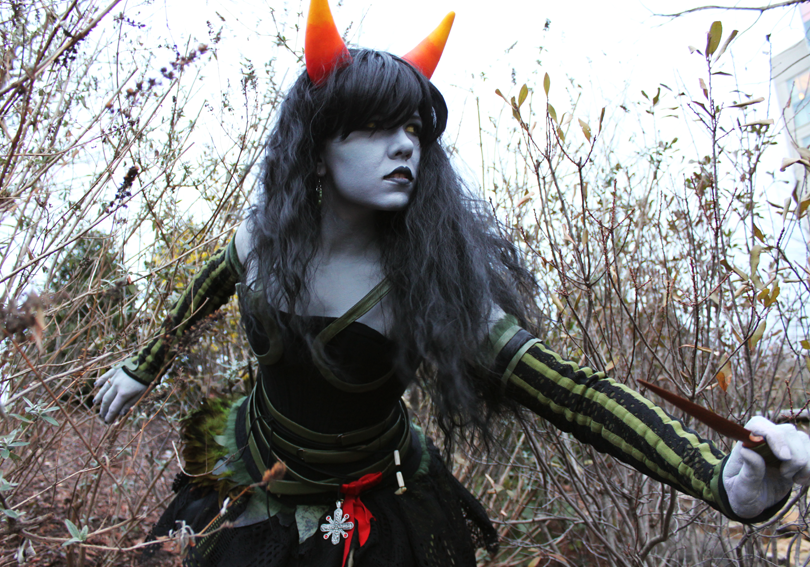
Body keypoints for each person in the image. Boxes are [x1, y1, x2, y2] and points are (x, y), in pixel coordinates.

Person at [93, 1, 810, 565]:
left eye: (412, 128)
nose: (404, 144)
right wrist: (141, 365)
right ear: (316, 148)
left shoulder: (428, 289)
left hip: (366, 510)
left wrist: (719, 479)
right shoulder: (265, 235)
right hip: (250, 467)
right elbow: (212, 283)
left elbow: (573, 393)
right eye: (374, 127)